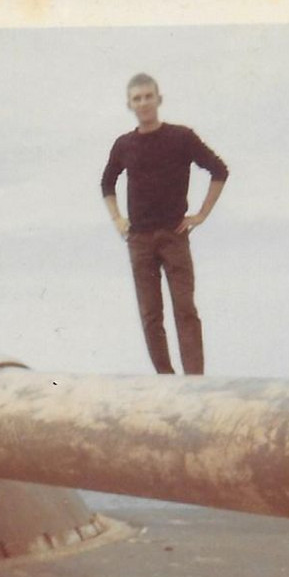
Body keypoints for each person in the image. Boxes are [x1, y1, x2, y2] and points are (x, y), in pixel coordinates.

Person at [100, 73, 229, 375]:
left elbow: (219, 170)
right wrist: (118, 218)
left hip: (174, 236)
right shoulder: (124, 144)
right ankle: (165, 380)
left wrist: (201, 214)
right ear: (129, 104)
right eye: (137, 98)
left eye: (148, 96)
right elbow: (107, 183)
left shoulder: (181, 137)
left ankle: (195, 380)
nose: (143, 103)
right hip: (139, 240)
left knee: (185, 309)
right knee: (150, 314)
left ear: (159, 99)